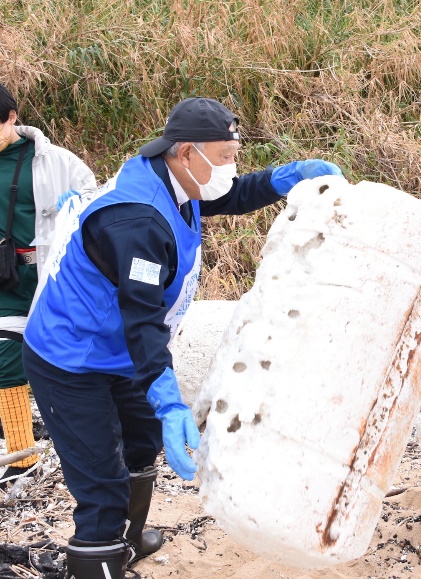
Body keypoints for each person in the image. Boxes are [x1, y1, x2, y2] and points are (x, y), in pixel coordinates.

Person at [21, 97, 343, 579]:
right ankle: (98, 555)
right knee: (101, 482)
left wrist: (283, 177)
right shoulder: (137, 221)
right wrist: (172, 404)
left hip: (121, 350)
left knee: (141, 441)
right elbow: (142, 322)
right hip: (73, 357)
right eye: (226, 157)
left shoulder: (175, 177)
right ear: (187, 151)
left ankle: (126, 543)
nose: (232, 168)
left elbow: (226, 195)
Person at [0, 83, 96, 489]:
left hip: (44, 276)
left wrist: (78, 206)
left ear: (12, 117)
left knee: (64, 362)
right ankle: (23, 457)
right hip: (3, 280)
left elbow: (95, 202)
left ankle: (90, 445)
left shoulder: (54, 162)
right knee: (5, 361)